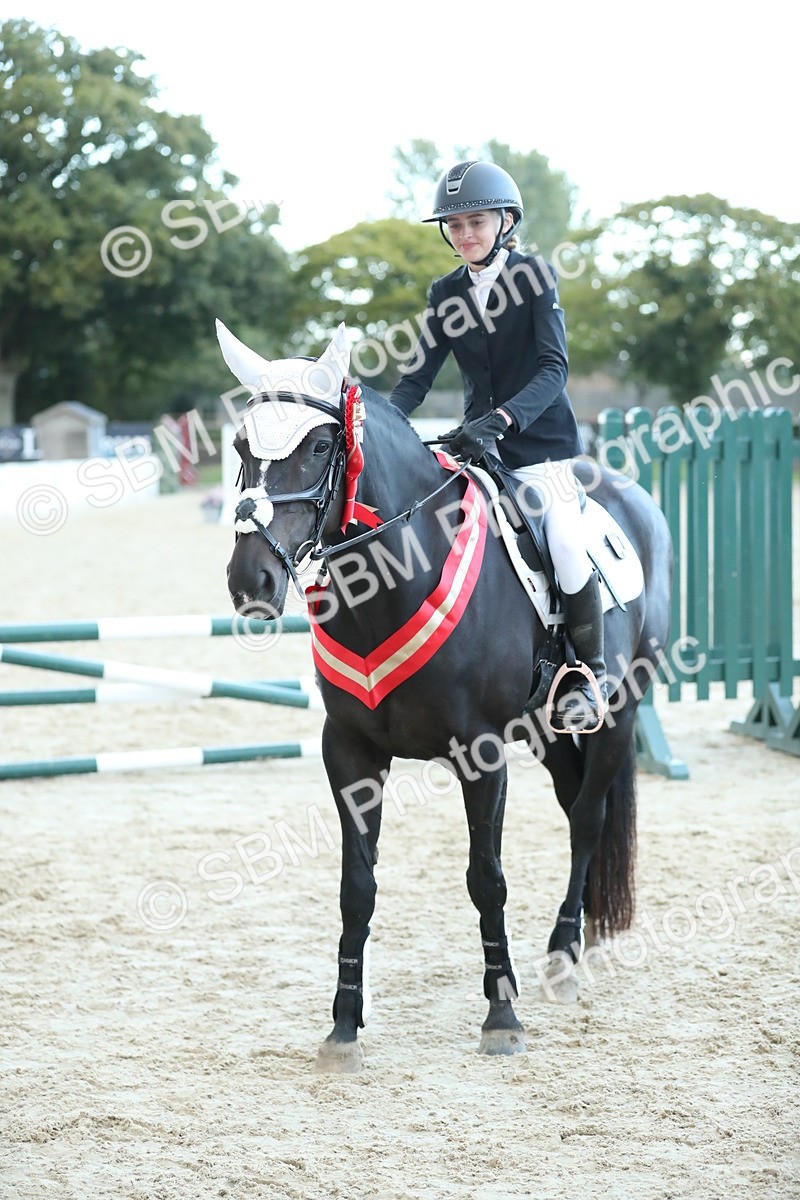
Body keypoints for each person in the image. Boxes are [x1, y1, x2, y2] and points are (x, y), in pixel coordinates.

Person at [389, 160, 607, 730]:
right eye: (454, 226)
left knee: (562, 536)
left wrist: (504, 419)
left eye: (476, 222)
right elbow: (417, 377)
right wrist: (379, 424)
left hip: (540, 447)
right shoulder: (445, 293)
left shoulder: (533, 275)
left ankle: (590, 672)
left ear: (505, 221)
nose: (465, 235)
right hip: (477, 451)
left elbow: (553, 367)